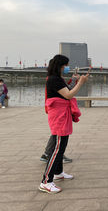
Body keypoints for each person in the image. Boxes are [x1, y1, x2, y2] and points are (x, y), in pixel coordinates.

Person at [39, 54, 88, 194]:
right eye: (66, 65)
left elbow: (66, 91)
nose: (67, 67)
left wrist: (77, 81)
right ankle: (46, 181)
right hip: (59, 116)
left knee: (61, 146)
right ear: (60, 66)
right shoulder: (54, 79)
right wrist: (81, 82)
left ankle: (58, 172)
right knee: (57, 148)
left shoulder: (57, 79)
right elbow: (68, 95)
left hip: (62, 114)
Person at [40, 73, 81, 164]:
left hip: (56, 108)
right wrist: (78, 81)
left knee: (57, 132)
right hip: (58, 109)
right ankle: (52, 155)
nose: (65, 68)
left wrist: (73, 80)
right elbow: (68, 92)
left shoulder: (54, 78)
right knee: (59, 132)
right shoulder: (54, 79)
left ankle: (48, 154)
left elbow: (65, 88)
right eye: (64, 66)